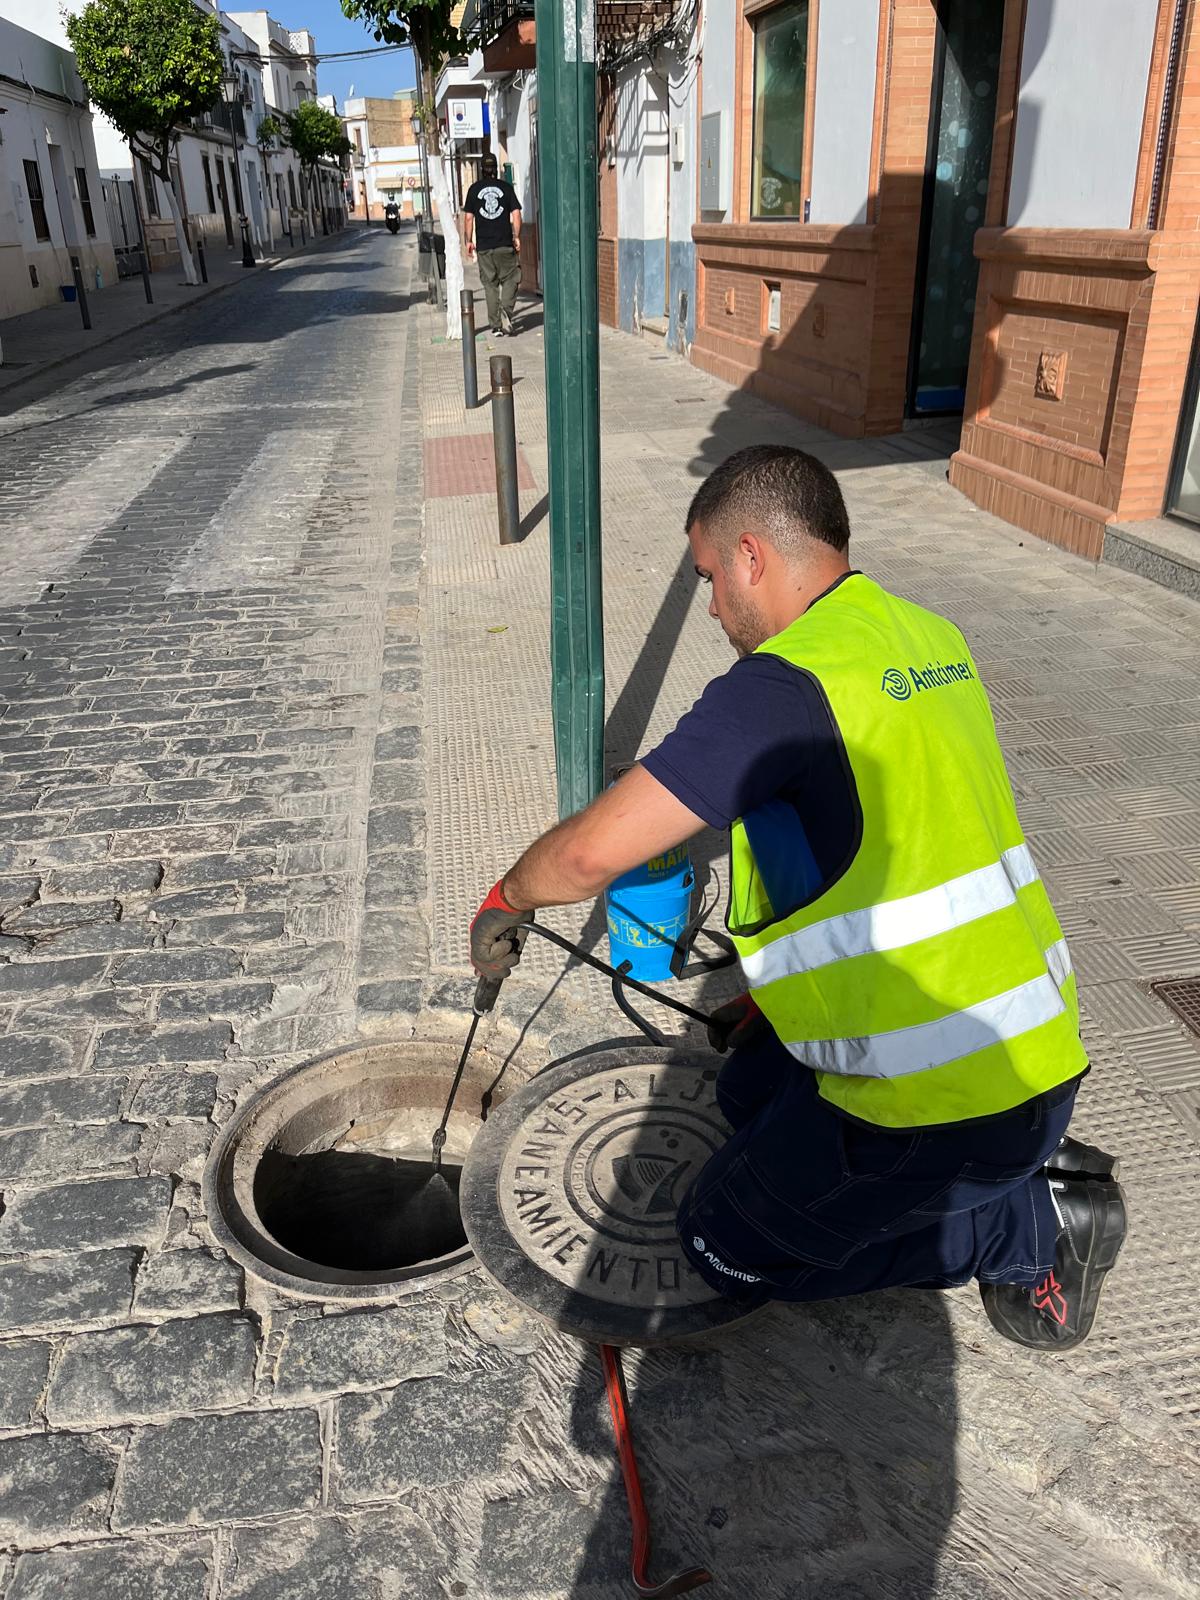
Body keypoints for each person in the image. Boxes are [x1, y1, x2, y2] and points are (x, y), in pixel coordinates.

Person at [470, 444, 1128, 1352]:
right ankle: (1002, 1170)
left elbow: (586, 858)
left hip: (940, 1101)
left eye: (708, 577)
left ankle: (1026, 1230)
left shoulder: (782, 688)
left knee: (720, 1244)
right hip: (1027, 1044)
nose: (709, 607)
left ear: (752, 555)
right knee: (743, 1094)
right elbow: (899, 857)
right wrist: (774, 1002)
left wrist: (506, 895)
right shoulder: (928, 636)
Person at [463, 154, 522, 336]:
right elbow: (517, 214)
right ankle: (506, 309)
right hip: (504, 243)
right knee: (512, 277)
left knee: (490, 285)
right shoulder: (506, 188)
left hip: (484, 247)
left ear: (482, 169)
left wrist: (468, 241)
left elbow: (468, 218)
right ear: (496, 168)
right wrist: (516, 236)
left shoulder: (474, 190)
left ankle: (496, 326)